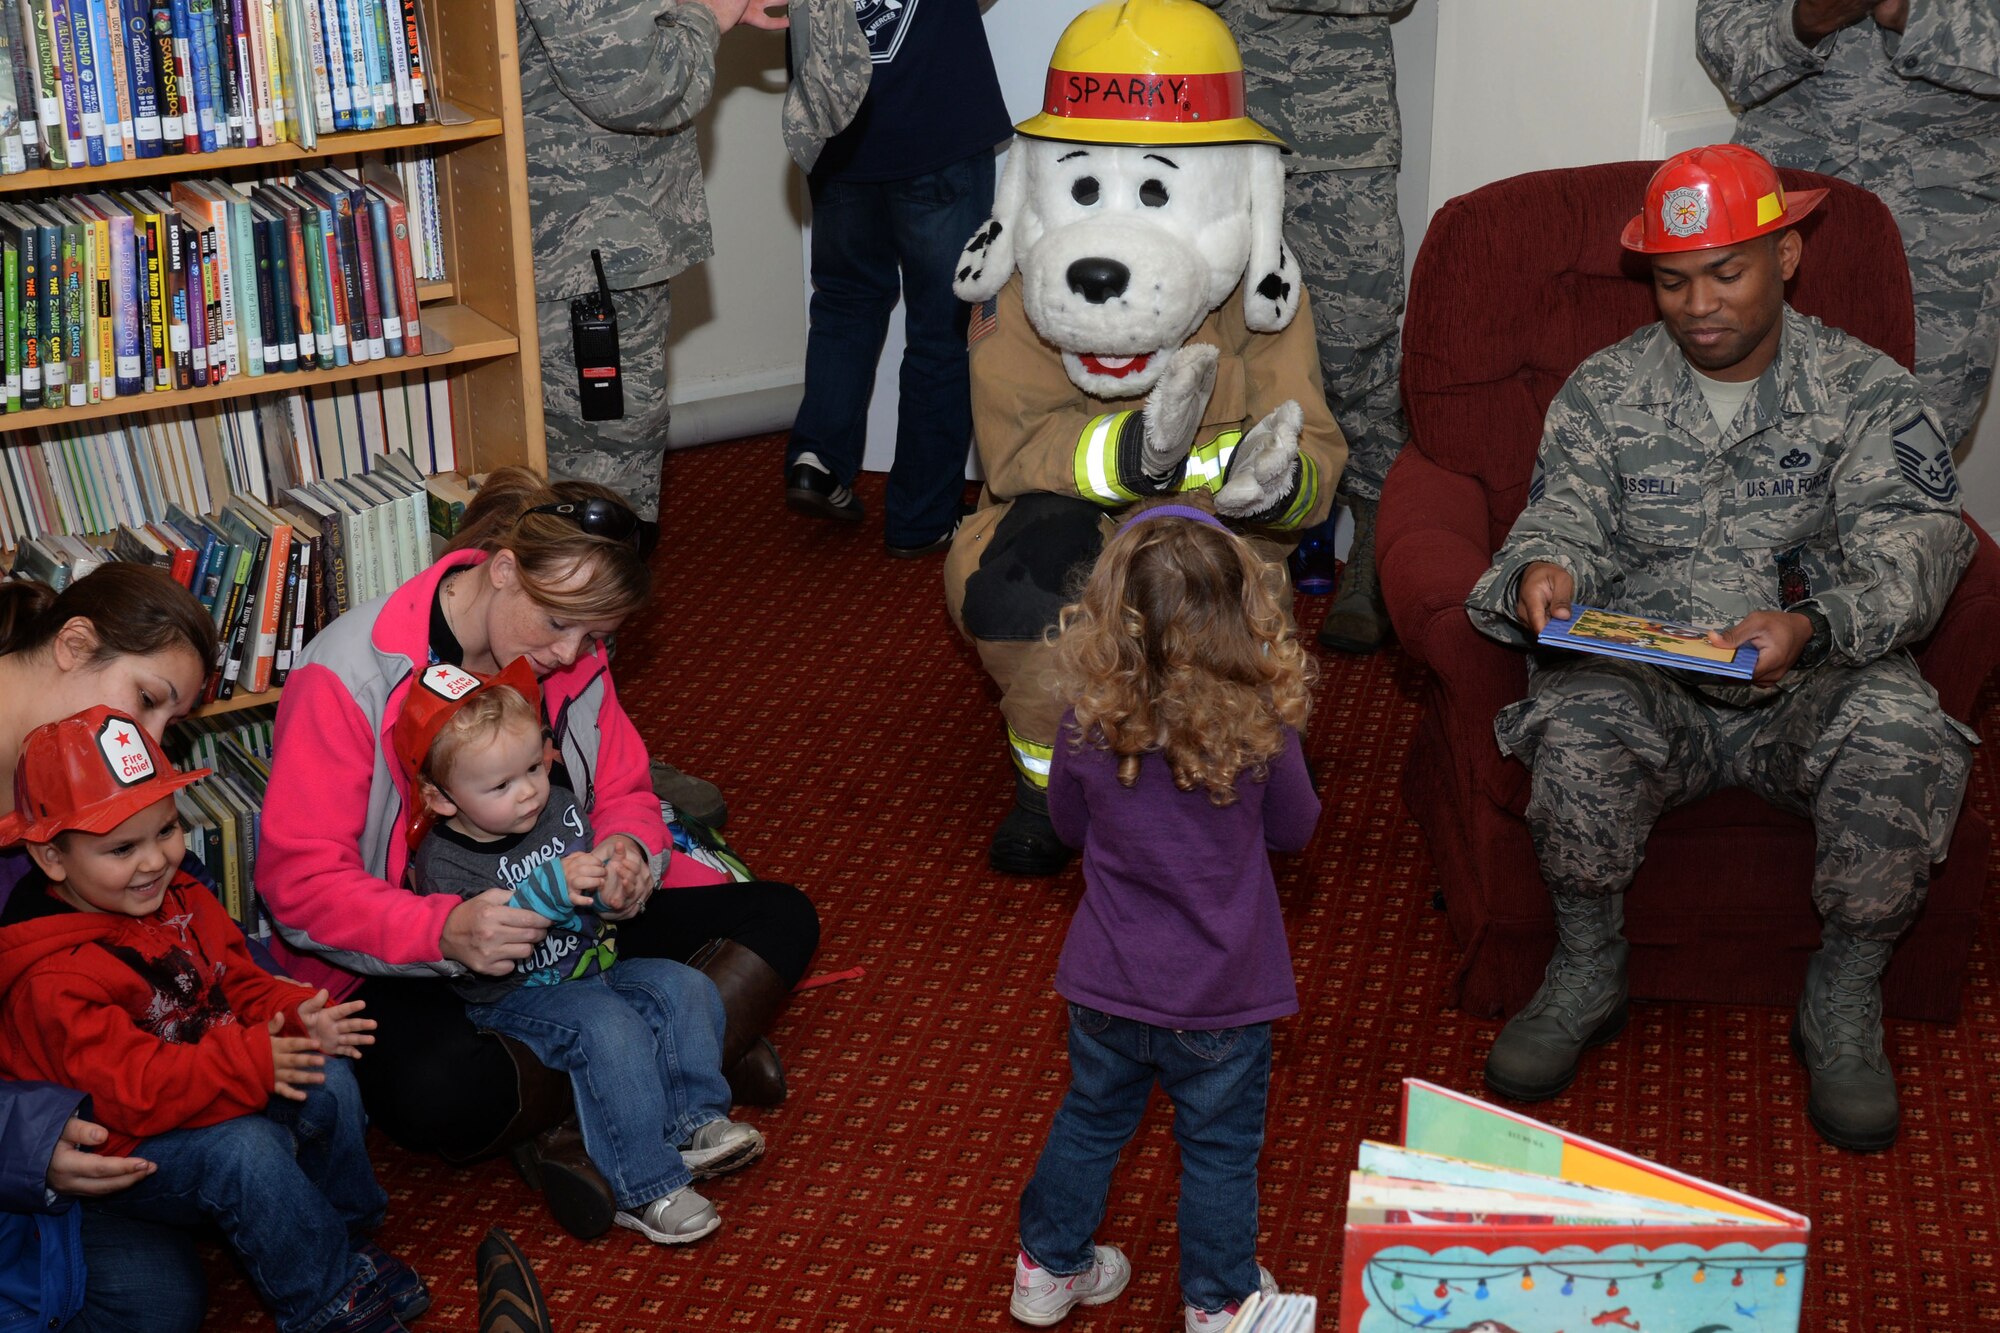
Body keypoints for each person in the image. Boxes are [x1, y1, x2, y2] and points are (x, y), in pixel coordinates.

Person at [1465, 145, 1976, 1154]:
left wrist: (1812, 624)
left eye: (1724, 271)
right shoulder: (1603, 390)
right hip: (1653, 682)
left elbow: (1918, 548)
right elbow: (1556, 519)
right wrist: (1545, 573)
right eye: (1670, 277)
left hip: (1811, 685)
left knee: (1904, 738)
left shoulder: (1865, 390)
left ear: (1785, 257)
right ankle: (1585, 965)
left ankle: (1843, 991)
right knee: (1570, 723)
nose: (1695, 302)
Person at [253, 468, 819, 1240]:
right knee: (433, 1097)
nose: (572, 652)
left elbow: (623, 788)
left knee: (783, 915)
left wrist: (628, 853)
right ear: (504, 569)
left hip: (576, 928)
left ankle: (607, 1101)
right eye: (559, 624)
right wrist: (444, 933)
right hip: (413, 958)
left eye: (595, 636)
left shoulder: (572, 651)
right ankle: (667, 1074)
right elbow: (300, 887)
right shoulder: (348, 674)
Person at [0, 708, 424, 1333]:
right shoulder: (53, 977)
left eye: (166, 831)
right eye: (122, 848)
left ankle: (343, 1240)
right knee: (245, 1154)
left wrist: (295, 1015)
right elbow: (134, 1094)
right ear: (51, 858)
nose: (155, 862)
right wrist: (257, 1058)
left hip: (208, 1082)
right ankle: (326, 1303)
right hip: (128, 1146)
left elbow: (240, 983)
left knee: (326, 1077)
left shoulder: (180, 895)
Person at [1008, 505, 1321, 1332]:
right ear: (1243, 616)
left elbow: (1068, 830)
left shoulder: (1088, 722)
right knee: (1218, 1151)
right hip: (1222, 995)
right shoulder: (1263, 730)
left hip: (1105, 982)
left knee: (1090, 1117)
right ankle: (1217, 1300)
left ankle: (1047, 1266)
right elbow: (1297, 829)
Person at [396, 660, 763, 1245]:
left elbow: (592, 876)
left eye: (534, 768)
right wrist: (550, 888)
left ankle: (693, 1123)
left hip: (594, 963)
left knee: (684, 986)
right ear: (440, 800)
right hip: (515, 996)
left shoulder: (559, 804)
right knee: (608, 1028)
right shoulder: (444, 860)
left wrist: (617, 881)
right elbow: (489, 940)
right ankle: (643, 1184)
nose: (528, 793)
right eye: (500, 786)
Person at [0, 564, 218, 1333]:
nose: (150, 744)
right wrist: (22, 1137)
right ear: (74, 643)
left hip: (84, 1088)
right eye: (148, 700)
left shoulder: (100, 778)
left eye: (172, 724)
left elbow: (182, 919)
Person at [520, 0, 786, 536]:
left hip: (575, 250)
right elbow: (635, 85)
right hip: (584, 255)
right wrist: (707, 13)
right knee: (596, 512)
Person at [1696, 0, 2000, 448]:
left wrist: (1911, 14)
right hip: (1786, 202)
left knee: (1914, 445)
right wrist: (1803, 21)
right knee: (1737, 426)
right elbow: (1724, 42)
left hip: (1943, 229)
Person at [1207, 0, 1414, 653]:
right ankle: (1251, 544)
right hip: (1220, 130)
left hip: (1338, 141)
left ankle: (1375, 552)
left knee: (1356, 352)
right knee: (1229, 346)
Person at [780, 0, 1012, 558]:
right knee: (943, 332)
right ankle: (922, 517)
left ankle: (817, 459)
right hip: (935, 127)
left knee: (843, 305)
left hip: (837, 131)